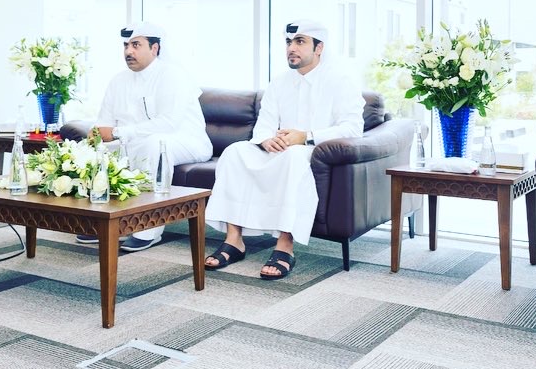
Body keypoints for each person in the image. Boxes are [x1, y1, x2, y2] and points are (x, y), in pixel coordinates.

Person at [204, 20, 365, 279]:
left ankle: (285, 245)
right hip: (277, 148)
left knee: (293, 157)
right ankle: (234, 240)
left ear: (319, 48)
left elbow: (353, 128)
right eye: (289, 42)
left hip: (313, 151)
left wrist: (306, 136)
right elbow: (264, 124)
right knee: (235, 151)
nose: (291, 48)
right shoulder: (279, 82)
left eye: (300, 42)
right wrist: (266, 140)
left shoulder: (341, 81)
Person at [76, 22, 212, 251]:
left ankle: (147, 228)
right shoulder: (118, 80)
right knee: (90, 150)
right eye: (126, 46)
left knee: (154, 144)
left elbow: (168, 123)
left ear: (155, 48)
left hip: (185, 140)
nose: (128, 51)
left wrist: (117, 133)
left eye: (136, 45)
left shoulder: (173, 76)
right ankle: (103, 222)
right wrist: (96, 133)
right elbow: (105, 121)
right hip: (135, 141)